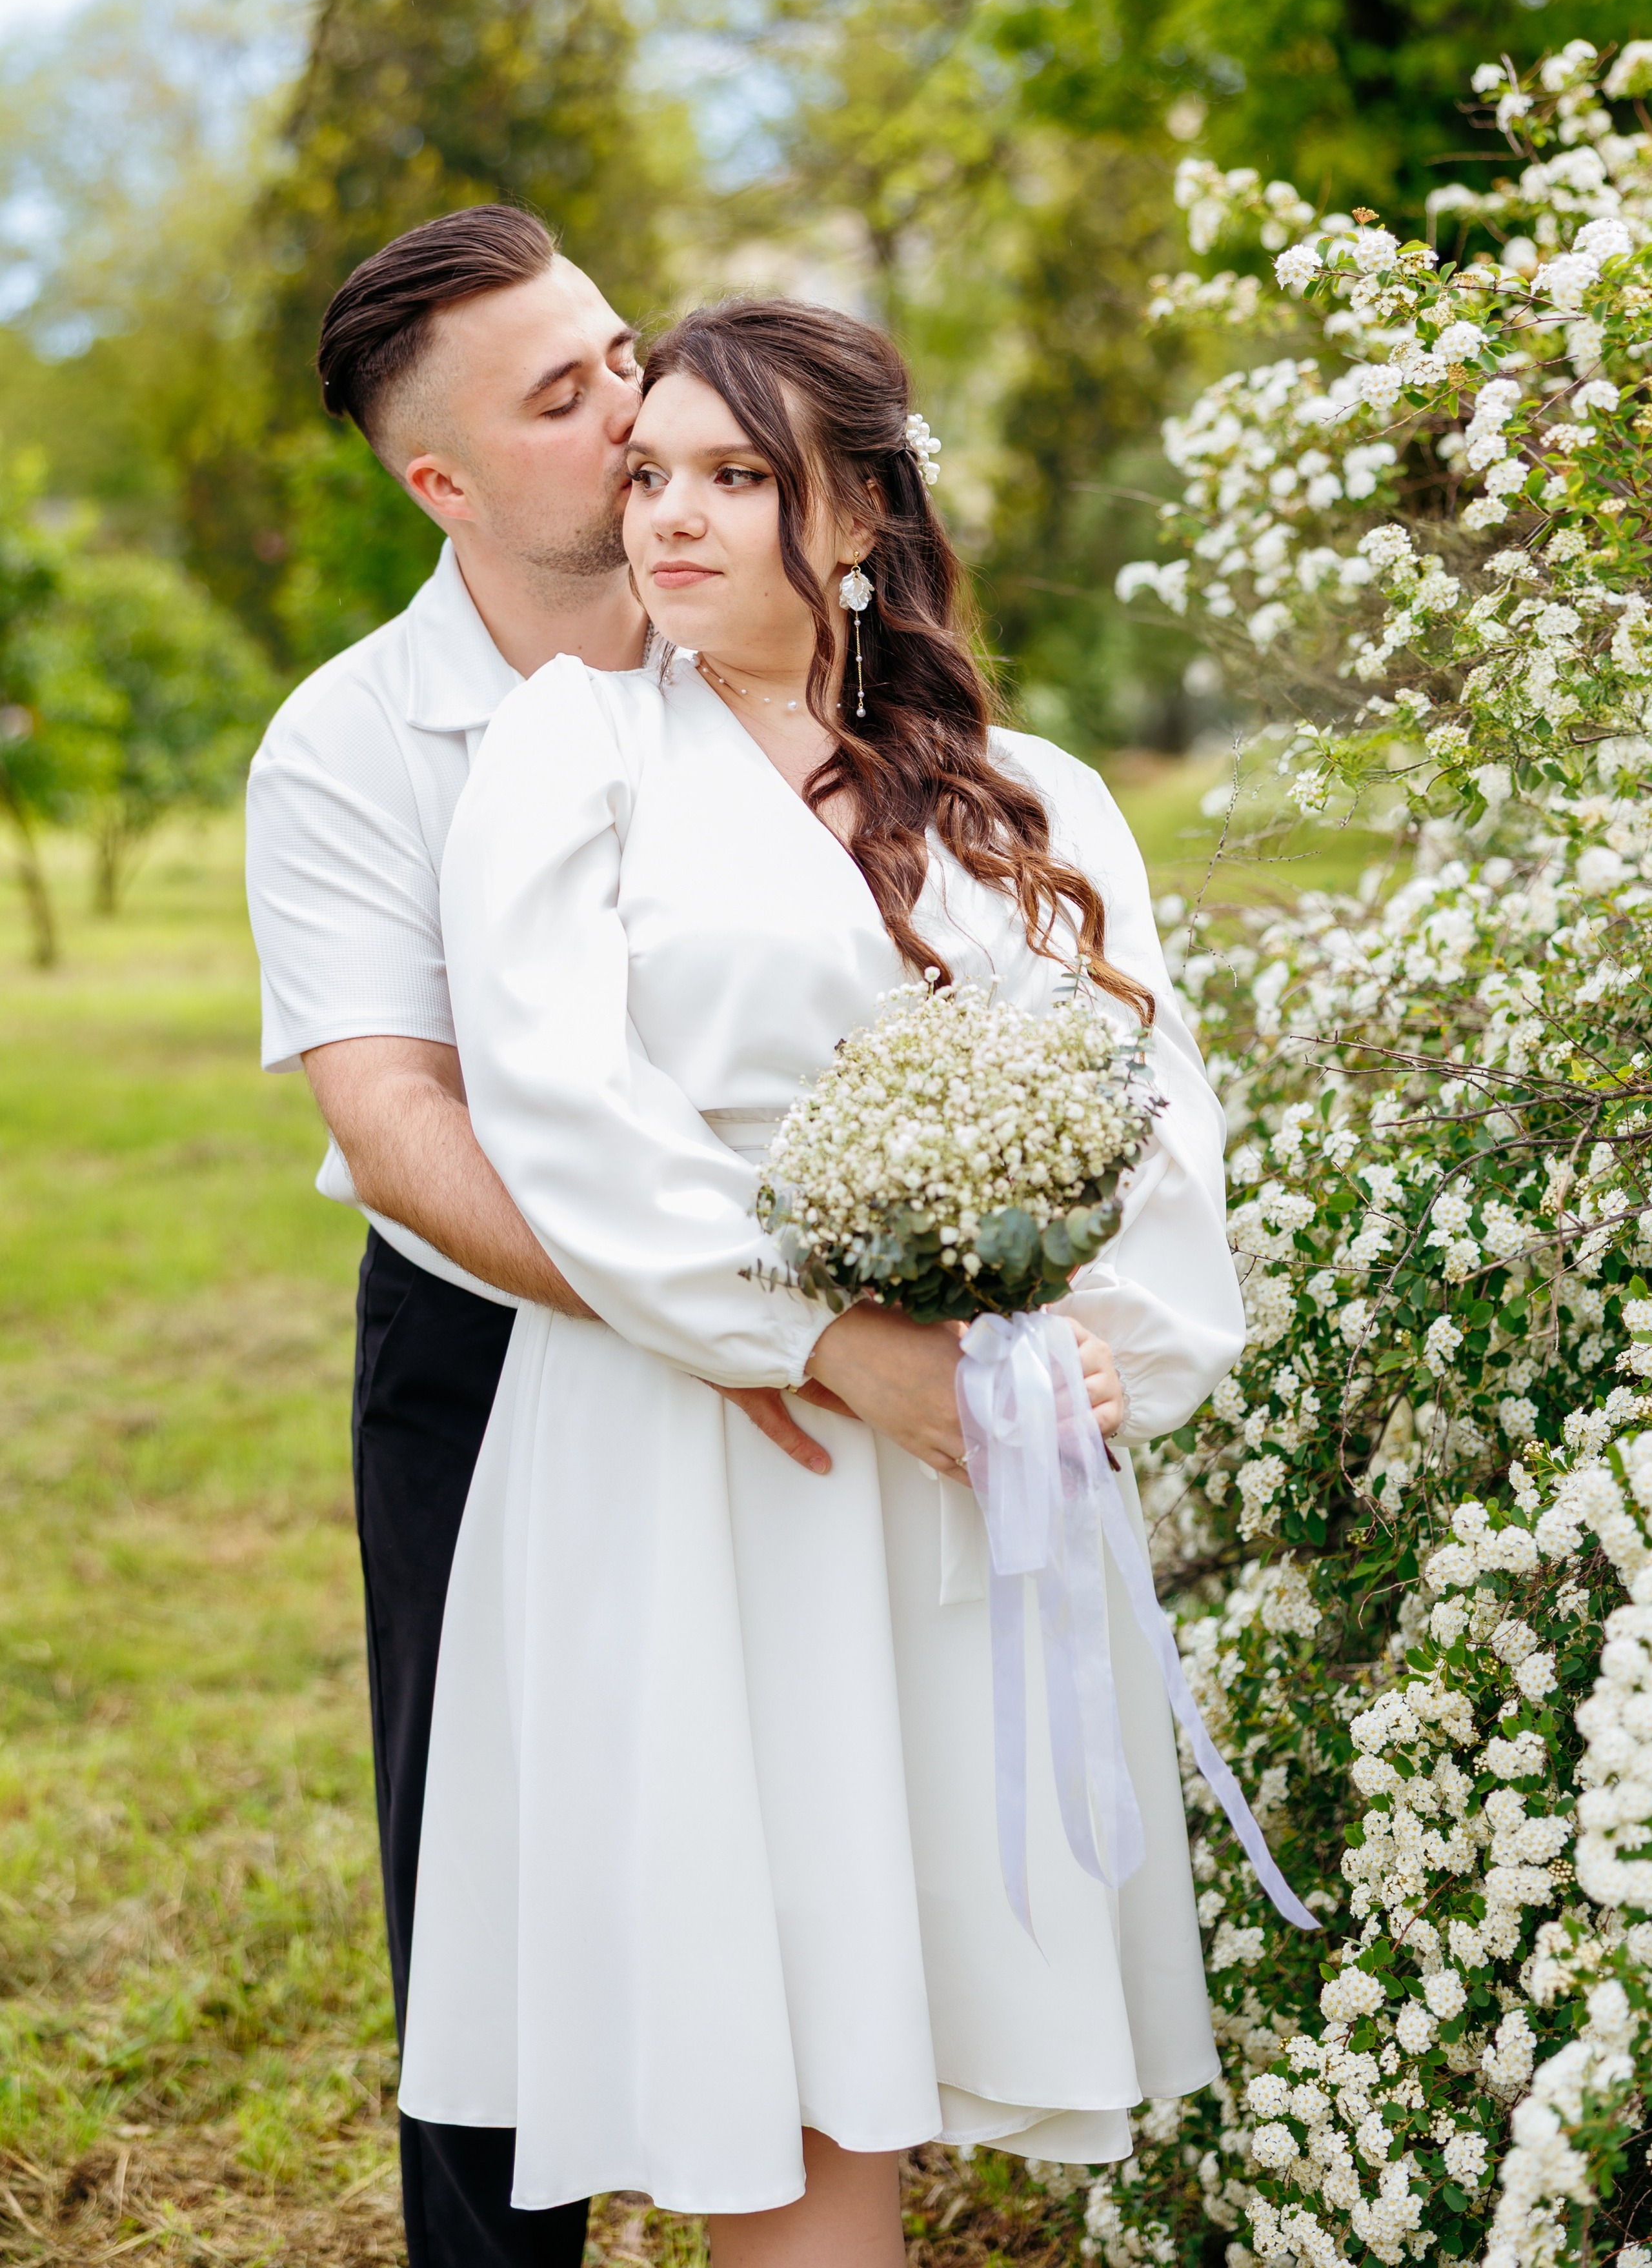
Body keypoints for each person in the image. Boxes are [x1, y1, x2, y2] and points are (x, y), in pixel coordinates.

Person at [399, 297, 1248, 2265]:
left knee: (891, 2005)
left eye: (738, 477)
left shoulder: (1026, 791)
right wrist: (823, 1340)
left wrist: (1103, 1355)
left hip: (967, 1458)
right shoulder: (575, 747)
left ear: (858, 512)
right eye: (650, 475)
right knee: (759, 2046)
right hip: (703, 1454)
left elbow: (1153, 1106)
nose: (671, 518)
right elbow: (562, 1109)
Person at [244, 209, 845, 2268]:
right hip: (495, 1339)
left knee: (805, 1791)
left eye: (619, 349)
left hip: (827, 1314)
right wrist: (705, 1315)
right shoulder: (348, 741)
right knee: (499, 1850)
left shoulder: (759, 646)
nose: (629, 406)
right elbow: (397, 1120)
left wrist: (825, 1308)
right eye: (564, 394)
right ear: (445, 480)